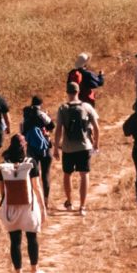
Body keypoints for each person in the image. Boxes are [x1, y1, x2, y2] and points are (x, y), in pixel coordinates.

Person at [0, 134, 47, 273]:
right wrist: (43, 207)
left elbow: (2, 190)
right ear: (25, 145)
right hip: (29, 207)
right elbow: (37, 187)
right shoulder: (31, 162)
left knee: (15, 241)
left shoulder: (4, 165)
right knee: (32, 238)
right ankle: (34, 272)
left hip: (11, 207)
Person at [54, 81, 99, 216]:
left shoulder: (63, 108)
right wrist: (96, 144)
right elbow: (96, 127)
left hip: (68, 148)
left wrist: (56, 147)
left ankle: (69, 202)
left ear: (67, 93)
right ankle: (82, 206)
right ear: (78, 92)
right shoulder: (87, 107)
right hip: (84, 146)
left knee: (67, 175)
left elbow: (58, 130)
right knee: (84, 175)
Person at [21, 96, 55, 204]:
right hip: (44, 147)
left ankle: (33, 199)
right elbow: (52, 126)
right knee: (45, 175)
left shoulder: (26, 115)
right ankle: (45, 201)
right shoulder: (41, 114)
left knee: (32, 175)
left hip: (31, 149)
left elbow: (22, 132)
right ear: (40, 103)